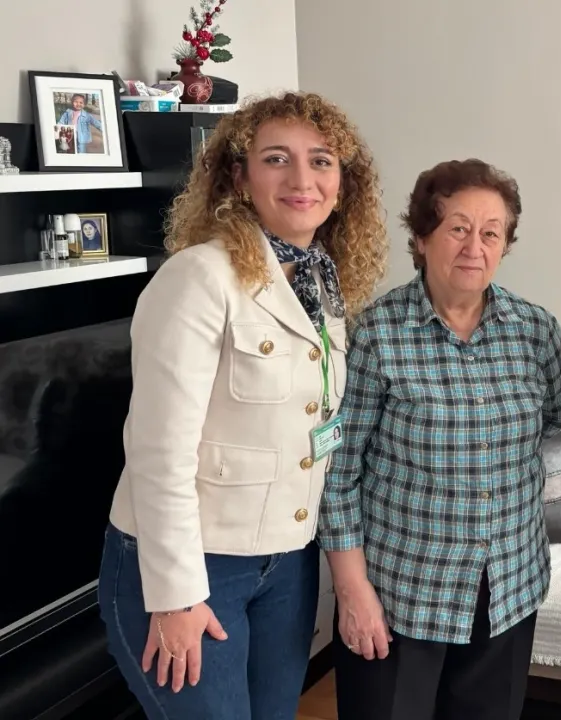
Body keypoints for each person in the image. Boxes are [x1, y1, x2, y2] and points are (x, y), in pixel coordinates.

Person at [97, 91, 389, 718]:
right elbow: (158, 452)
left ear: (343, 182)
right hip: (194, 565)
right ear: (239, 177)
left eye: (321, 161)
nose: (302, 179)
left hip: (287, 563)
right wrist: (176, 596)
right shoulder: (199, 278)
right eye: (277, 159)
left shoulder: (322, 282)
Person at [317, 158, 561, 720]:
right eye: (458, 228)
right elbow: (338, 473)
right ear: (421, 236)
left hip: (507, 591)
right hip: (400, 596)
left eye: (491, 233)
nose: (474, 247)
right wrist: (352, 592)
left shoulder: (537, 332)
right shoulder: (375, 334)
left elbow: (558, 434)